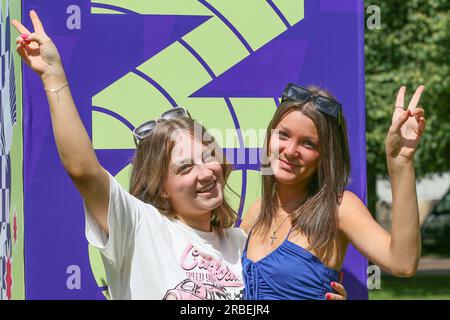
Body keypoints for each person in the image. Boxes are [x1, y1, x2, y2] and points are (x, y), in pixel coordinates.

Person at [12, 11, 348, 300]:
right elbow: (83, 169)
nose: (205, 173)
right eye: (185, 167)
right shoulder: (139, 225)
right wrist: (53, 75)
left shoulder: (242, 243)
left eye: (208, 156)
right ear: (161, 187)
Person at [240, 83, 426, 300]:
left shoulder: (338, 208)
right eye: (283, 135)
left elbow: (402, 263)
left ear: (325, 155)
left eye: (308, 144)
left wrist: (400, 163)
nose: (290, 151)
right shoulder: (257, 211)